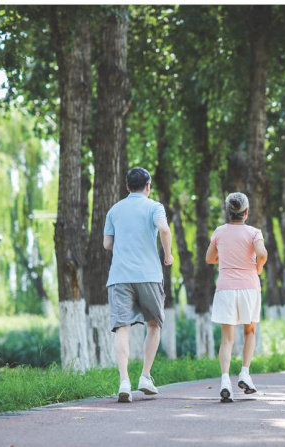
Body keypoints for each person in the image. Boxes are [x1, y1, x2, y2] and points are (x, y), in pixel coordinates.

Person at [103, 167, 174, 403]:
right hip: (149, 275)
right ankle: (145, 376)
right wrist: (168, 256)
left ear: (127, 187)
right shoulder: (155, 207)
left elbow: (107, 244)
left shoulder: (114, 210)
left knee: (122, 327)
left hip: (120, 276)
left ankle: (124, 381)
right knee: (153, 324)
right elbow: (164, 229)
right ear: (148, 186)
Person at [206, 192, 268, 403]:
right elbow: (262, 253)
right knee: (250, 331)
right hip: (249, 288)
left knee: (227, 338)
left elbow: (209, 258)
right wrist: (258, 267)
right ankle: (244, 373)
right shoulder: (254, 232)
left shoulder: (219, 232)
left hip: (225, 289)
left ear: (228, 211)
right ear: (246, 212)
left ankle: (225, 380)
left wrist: (225, 257)